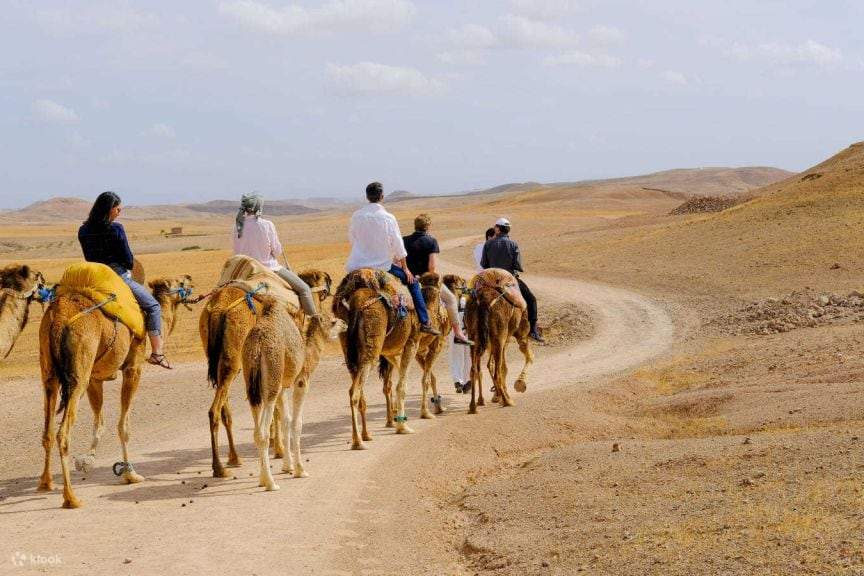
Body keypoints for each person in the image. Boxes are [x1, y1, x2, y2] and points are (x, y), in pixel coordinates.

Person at [78, 191, 171, 368]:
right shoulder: (116, 229)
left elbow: (88, 257)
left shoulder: (83, 230)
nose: (119, 213)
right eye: (118, 209)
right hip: (117, 277)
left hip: (93, 278)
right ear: (109, 210)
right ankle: (157, 353)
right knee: (153, 306)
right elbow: (128, 260)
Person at [346, 182, 439, 335]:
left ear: (367, 197)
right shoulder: (388, 218)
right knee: (414, 284)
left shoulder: (356, 216)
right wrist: (406, 268)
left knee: (342, 293)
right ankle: (424, 322)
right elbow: (397, 244)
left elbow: (352, 238)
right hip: (382, 266)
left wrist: (363, 249)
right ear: (382, 197)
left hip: (356, 266)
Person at [232, 193, 318, 317]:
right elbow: (277, 251)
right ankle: (314, 323)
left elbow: (236, 252)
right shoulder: (266, 225)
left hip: (246, 271)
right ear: (259, 207)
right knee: (304, 289)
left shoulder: (236, 226)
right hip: (269, 269)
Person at [402, 213, 473, 345]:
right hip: (425, 281)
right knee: (451, 300)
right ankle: (458, 333)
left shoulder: (404, 240)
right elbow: (432, 267)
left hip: (407, 279)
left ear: (415, 226)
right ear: (428, 227)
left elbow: (400, 261)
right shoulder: (431, 241)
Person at [481, 217, 544, 343]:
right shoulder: (513, 244)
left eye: (495, 227)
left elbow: (484, 264)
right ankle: (533, 331)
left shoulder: (488, 244)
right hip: (509, 280)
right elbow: (518, 265)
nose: (494, 229)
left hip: (492, 280)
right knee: (531, 299)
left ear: (498, 229)